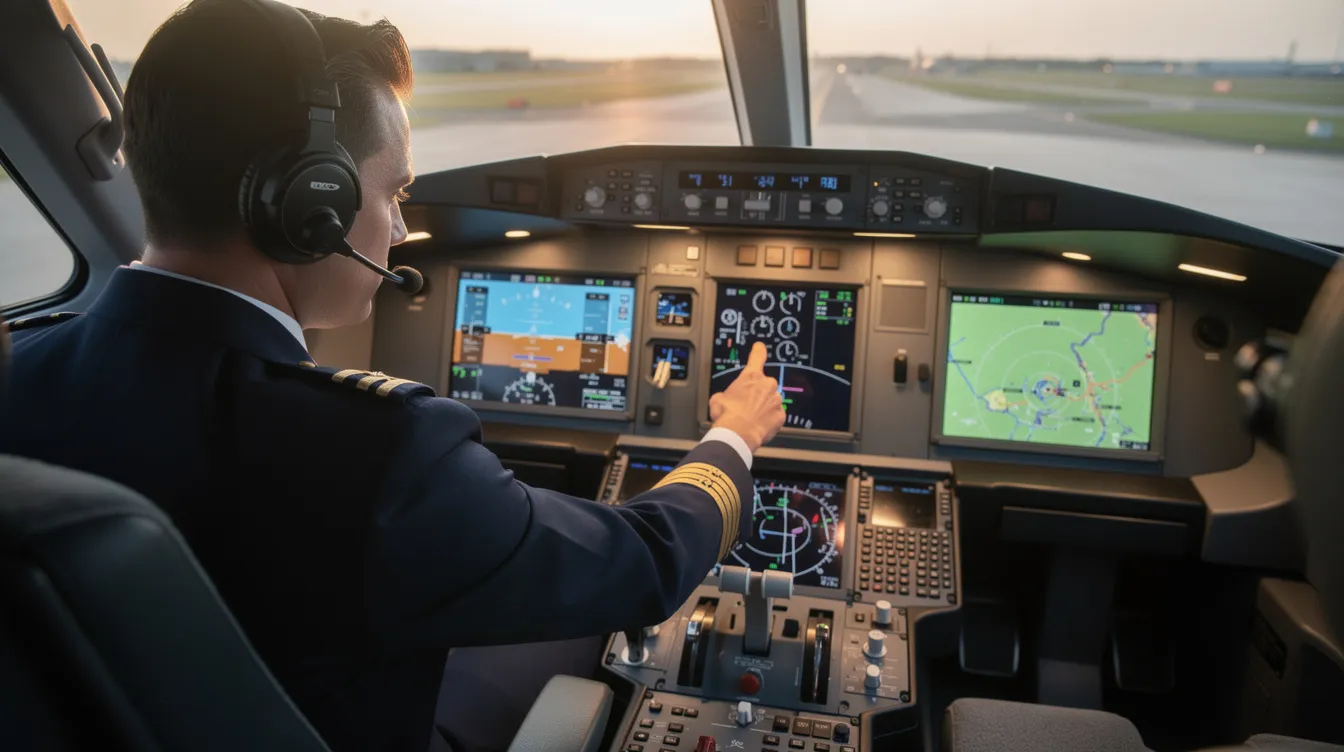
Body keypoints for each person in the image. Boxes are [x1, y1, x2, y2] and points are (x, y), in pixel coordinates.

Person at [0, 2, 786, 752]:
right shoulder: (380, 453)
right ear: (310, 203)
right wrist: (734, 435)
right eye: (395, 191)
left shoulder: (20, 367)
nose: (403, 228)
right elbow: (641, 564)